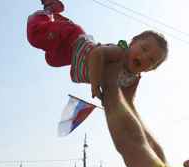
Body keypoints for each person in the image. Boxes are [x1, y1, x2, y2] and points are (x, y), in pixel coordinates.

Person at [101, 43, 189, 167]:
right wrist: (128, 104)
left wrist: (110, 81)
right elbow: (157, 158)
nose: (185, 162)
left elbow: (129, 141)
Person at [27, 0, 168, 100]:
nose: (144, 57)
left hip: (71, 57)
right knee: (35, 36)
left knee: (51, 60)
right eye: (143, 49)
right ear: (132, 43)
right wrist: (95, 86)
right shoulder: (120, 53)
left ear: (150, 69)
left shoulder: (132, 81)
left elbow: (128, 103)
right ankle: (48, 10)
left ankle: (56, 21)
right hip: (73, 38)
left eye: (151, 60)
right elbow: (97, 54)